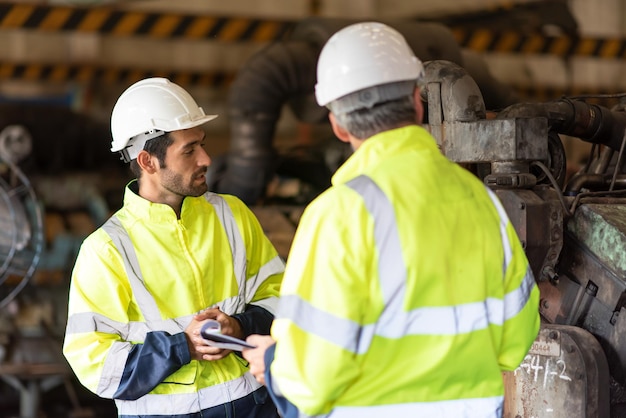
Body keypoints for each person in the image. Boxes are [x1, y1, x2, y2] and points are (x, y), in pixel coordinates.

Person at [242, 21, 540, 417]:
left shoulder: (339, 214)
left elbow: (311, 383)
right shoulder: (482, 201)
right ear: (418, 102)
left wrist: (278, 364)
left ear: (338, 125)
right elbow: (516, 341)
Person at [63, 77, 284, 418]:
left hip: (256, 406)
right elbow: (95, 366)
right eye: (189, 150)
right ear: (148, 162)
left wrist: (239, 326)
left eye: (202, 144)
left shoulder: (232, 215)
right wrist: (183, 348)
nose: (207, 158)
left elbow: (282, 298)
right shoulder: (107, 250)